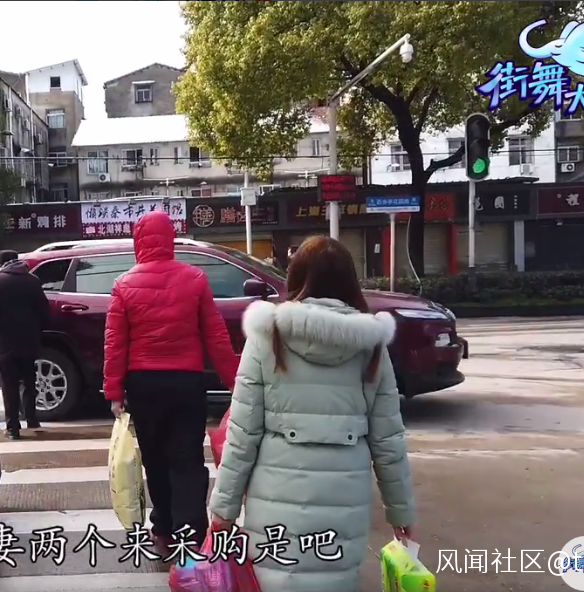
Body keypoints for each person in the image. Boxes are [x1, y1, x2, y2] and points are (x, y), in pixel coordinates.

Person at [208, 235, 416, 592]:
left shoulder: (268, 336)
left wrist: (223, 510)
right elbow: (388, 440)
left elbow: (242, 433)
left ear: (296, 277)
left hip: (275, 498)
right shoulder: (371, 346)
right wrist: (401, 512)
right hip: (344, 499)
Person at [103, 211, 238, 550]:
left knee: (155, 459)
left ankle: (163, 528)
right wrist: (235, 381)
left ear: (138, 241)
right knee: (187, 459)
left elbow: (115, 343)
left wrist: (114, 391)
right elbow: (216, 336)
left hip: (144, 384)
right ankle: (190, 533)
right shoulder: (195, 279)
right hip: (186, 382)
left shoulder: (123, 284)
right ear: (170, 239)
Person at [0, 250, 49, 440]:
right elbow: (43, 310)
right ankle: (32, 419)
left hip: (5, 341)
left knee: (9, 383)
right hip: (29, 339)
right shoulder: (33, 280)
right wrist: (37, 330)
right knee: (29, 379)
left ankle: (13, 428)